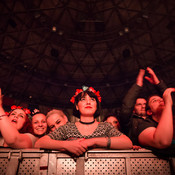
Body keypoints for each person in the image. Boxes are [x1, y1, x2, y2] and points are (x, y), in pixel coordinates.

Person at [35, 86, 133, 156]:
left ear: (96, 105)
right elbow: (39, 143)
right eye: (83, 99)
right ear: (77, 106)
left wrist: (93, 141)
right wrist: (67, 145)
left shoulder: (105, 126)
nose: (88, 102)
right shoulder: (67, 128)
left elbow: (127, 143)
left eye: (92, 99)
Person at [119, 67, 167, 145]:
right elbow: (126, 108)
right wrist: (138, 85)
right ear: (133, 110)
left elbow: (169, 101)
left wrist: (158, 84)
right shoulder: (130, 122)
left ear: (149, 110)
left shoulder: (158, 119)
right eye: (139, 104)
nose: (143, 106)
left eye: (145, 104)